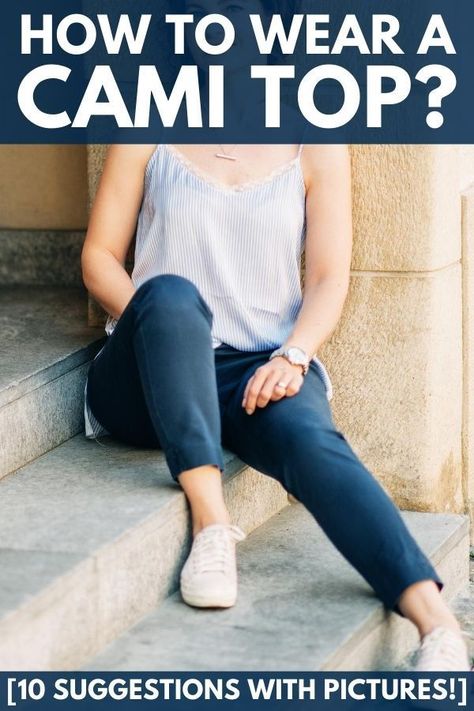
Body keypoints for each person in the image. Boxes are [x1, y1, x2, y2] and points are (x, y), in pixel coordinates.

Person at [81, 140, 471, 672]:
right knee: (171, 294)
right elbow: (99, 259)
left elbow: (328, 276)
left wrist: (295, 355)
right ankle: (213, 526)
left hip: (259, 366)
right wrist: (165, 335)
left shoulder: (315, 144)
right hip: (150, 367)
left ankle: (437, 627)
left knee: (313, 444)